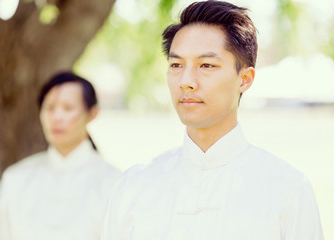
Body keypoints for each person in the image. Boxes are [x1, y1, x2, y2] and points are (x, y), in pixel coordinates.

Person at [101, 1, 324, 239]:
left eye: (206, 65)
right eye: (176, 65)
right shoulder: (134, 188)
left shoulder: (287, 189)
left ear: (245, 79)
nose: (186, 81)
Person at [0, 72, 121, 240]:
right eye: (50, 108)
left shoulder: (114, 184)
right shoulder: (15, 179)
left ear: (92, 113)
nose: (56, 117)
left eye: (68, 108)